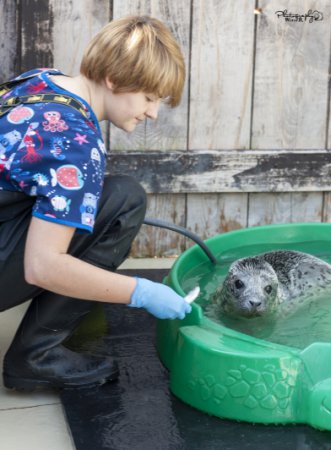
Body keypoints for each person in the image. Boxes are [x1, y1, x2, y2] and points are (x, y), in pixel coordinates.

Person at [0, 15, 191, 391]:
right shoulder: (75, 145)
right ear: (115, 80)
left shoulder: (39, 82)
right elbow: (42, 267)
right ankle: (36, 357)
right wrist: (140, 292)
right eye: (149, 98)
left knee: (111, 196)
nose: (152, 112)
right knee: (124, 201)